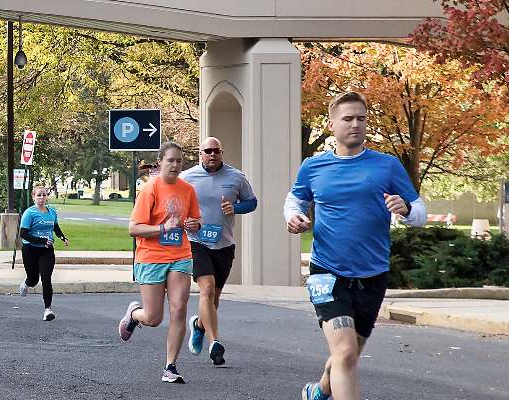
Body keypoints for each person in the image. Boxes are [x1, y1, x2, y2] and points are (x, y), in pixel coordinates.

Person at [286, 92, 426, 400]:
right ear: (332, 124)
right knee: (346, 351)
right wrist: (294, 216)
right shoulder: (313, 166)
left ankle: (319, 391)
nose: (355, 124)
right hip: (326, 272)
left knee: (349, 352)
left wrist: (406, 211)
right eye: (348, 119)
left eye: (361, 118)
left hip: (372, 274)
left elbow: (420, 212)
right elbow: (295, 199)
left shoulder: (386, 166)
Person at [118, 142, 202, 384]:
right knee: (154, 318)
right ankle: (134, 315)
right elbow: (133, 228)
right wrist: (162, 228)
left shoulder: (187, 190)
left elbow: (196, 219)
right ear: (160, 163)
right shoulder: (150, 189)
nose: (176, 165)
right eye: (171, 160)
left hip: (180, 254)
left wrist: (196, 224)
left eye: (179, 161)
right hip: (152, 257)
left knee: (179, 308)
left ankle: (171, 366)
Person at [179, 136, 258, 367]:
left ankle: (199, 326)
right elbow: (175, 205)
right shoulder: (187, 178)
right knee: (207, 289)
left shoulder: (236, 177)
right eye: (208, 151)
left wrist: (235, 207)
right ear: (200, 154)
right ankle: (215, 343)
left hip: (224, 244)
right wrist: (186, 221)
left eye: (216, 151)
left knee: (214, 299)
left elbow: (252, 203)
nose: (212, 154)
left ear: (222, 153)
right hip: (196, 242)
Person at [18, 184, 69, 321]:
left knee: (46, 278)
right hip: (30, 249)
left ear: (47, 197)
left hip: (46, 250)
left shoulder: (52, 211)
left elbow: (55, 227)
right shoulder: (29, 213)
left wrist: (62, 237)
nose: (41, 198)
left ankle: (48, 310)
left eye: (44, 195)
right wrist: (41, 240)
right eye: (38, 195)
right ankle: (27, 283)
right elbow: (23, 234)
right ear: (33, 197)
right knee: (34, 279)